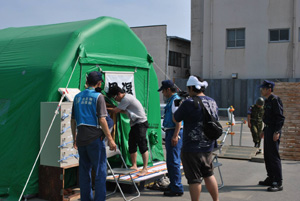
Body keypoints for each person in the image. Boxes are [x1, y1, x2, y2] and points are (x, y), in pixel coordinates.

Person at [71, 71, 116, 201]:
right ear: (99, 83)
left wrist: (74, 138)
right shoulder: (98, 97)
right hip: (95, 139)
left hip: (81, 138)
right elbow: (102, 120)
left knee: (84, 171)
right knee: (100, 171)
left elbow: (73, 120)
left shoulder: (77, 97)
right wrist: (111, 139)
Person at [174, 75, 219, 201]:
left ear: (192, 88)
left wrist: (180, 105)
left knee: (194, 179)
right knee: (209, 174)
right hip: (208, 145)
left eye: (189, 89)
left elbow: (176, 118)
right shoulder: (212, 101)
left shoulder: (188, 103)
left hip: (192, 147)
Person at [107, 86, 149, 176]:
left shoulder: (126, 99)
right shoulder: (126, 99)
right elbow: (123, 111)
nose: (116, 100)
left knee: (142, 145)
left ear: (119, 94)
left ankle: (145, 168)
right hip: (135, 124)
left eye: (115, 97)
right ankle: (134, 165)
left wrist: (104, 108)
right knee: (132, 144)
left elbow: (116, 110)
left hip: (141, 123)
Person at [158, 80, 184, 196]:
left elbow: (178, 120)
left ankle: (177, 188)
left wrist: (175, 136)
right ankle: (174, 184)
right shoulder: (173, 100)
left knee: (174, 161)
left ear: (168, 89)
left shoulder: (176, 100)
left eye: (163, 90)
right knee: (171, 161)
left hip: (174, 132)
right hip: (171, 131)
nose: (162, 93)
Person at [258, 80, 285, 192]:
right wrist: (264, 129)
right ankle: (271, 177)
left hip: (274, 130)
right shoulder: (267, 100)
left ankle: (278, 182)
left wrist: (277, 132)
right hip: (269, 129)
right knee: (267, 156)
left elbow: (280, 117)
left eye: (263, 88)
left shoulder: (275, 100)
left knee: (274, 156)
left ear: (269, 89)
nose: (261, 90)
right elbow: (268, 118)